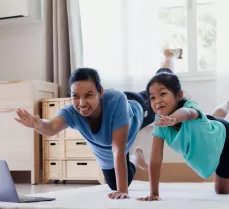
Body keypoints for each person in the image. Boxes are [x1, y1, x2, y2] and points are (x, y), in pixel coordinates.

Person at [15, 49, 182, 200]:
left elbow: (118, 148)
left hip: (136, 109)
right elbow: (51, 127)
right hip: (114, 149)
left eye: (88, 95)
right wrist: (37, 124)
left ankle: (168, 57)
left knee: (161, 84)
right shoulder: (71, 111)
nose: (81, 103)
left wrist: (123, 191)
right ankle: (136, 156)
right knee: (114, 185)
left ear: (100, 92)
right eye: (75, 96)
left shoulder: (116, 100)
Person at [136, 70, 229, 201]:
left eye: (163, 94)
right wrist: (154, 193)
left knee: (217, 120)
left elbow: (187, 113)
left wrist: (173, 119)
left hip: (225, 138)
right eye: (152, 97)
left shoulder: (189, 105)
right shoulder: (160, 122)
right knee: (221, 191)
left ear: (179, 95)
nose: (157, 101)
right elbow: (155, 158)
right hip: (210, 139)